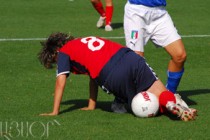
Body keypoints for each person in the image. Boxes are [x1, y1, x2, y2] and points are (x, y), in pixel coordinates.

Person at [38, 32, 196, 121]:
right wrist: (92, 105)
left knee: (139, 105)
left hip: (112, 74)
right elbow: (91, 76)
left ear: (56, 51)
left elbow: (60, 82)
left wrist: (55, 111)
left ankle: (124, 103)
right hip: (130, 58)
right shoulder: (81, 42)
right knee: (160, 91)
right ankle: (172, 102)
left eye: (54, 60)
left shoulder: (64, 52)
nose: (57, 63)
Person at [123, 0, 187, 102]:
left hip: (160, 13)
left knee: (179, 55)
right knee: (135, 60)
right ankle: (121, 98)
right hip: (136, 11)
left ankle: (169, 96)